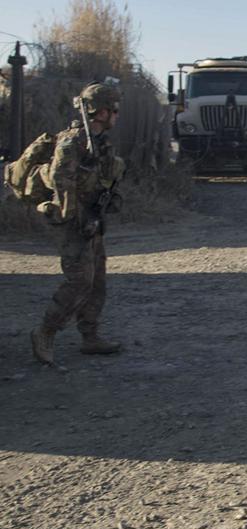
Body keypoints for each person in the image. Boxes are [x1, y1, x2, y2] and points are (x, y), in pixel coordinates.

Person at [31, 82, 125, 365]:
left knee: (97, 280)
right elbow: (63, 186)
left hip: (93, 219)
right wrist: (79, 220)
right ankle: (45, 332)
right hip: (74, 221)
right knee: (80, 280)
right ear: (103, 112)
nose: (117, 116)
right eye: (115, 110)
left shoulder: (100, 142)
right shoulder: (72, 143)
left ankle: (90, 336)